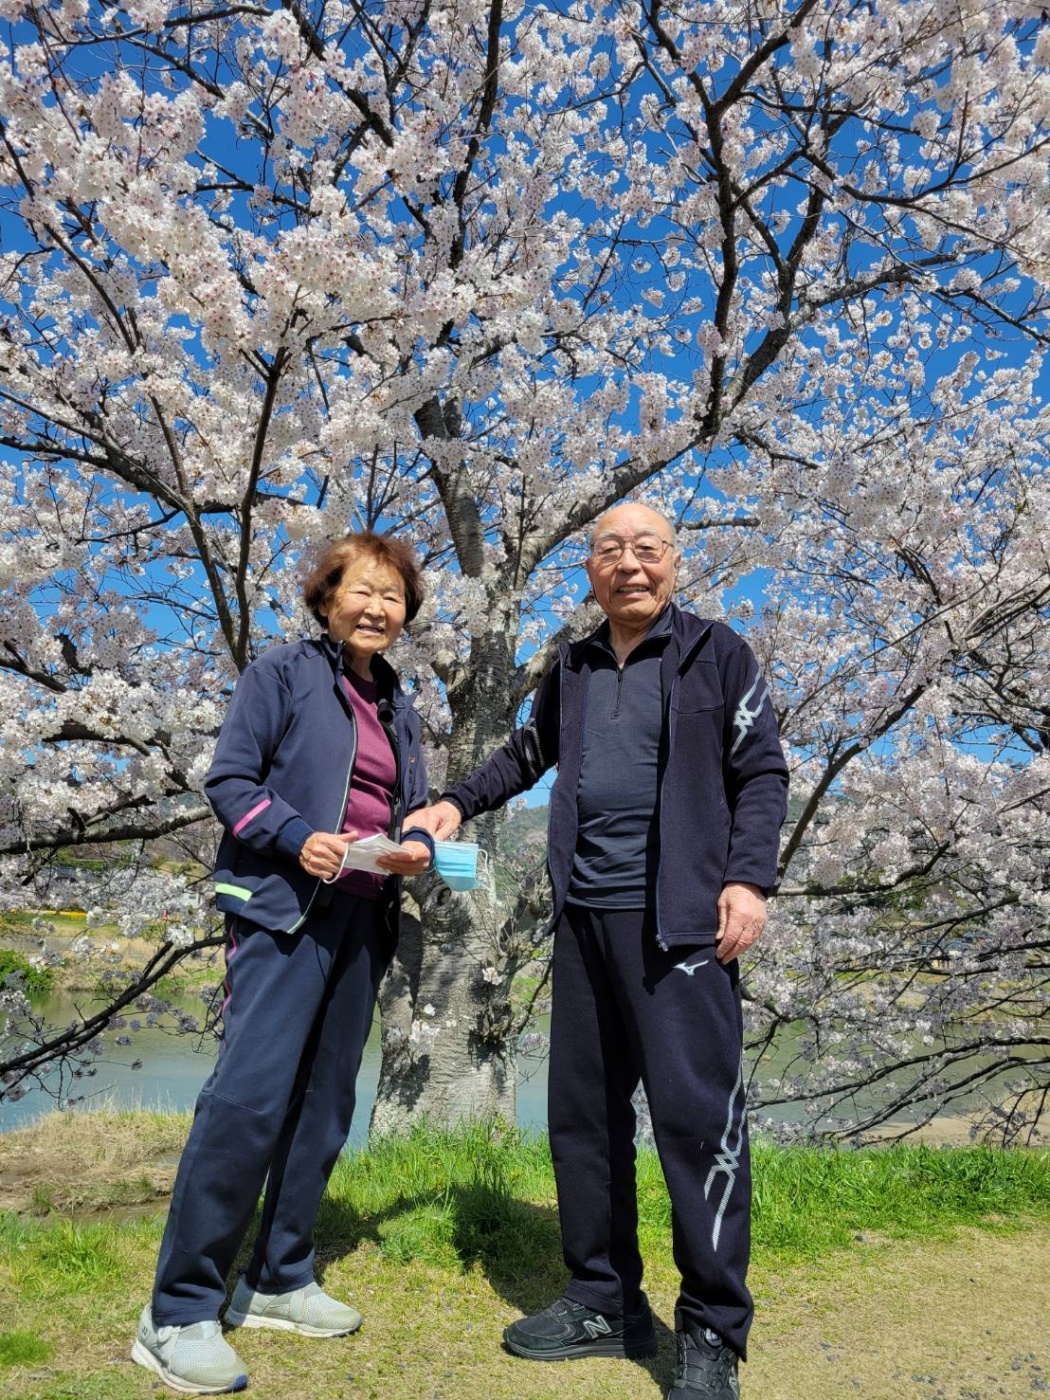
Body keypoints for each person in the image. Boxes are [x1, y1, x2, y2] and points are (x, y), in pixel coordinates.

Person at [414, 503, 788, 1400]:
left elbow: (761, 771)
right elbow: (530, 750)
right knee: (582, 1119)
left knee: (699, 1125)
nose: (630, 564)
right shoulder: (574, 663)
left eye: (647, 549)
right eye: (611, 550)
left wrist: (748, 879)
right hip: (583, 919)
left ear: (674, 562)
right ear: (588, 568)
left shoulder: (717, 654)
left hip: (684, 931)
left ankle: (711, 1329)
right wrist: (455, 804)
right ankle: (601, 1299)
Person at [132, 531, 436, 1396]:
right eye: (361, 591)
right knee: (249, 1098)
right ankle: (179, 1309)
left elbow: (402, 807)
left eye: (393, 597)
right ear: (327, 599)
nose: (378, 608)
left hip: (362, 916)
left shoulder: (398, 705)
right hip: (279, 910)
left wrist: (415, 843)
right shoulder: (284, 675)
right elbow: (230, 783)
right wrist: (298, 838)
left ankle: (278, 1275)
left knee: (325, 1102)